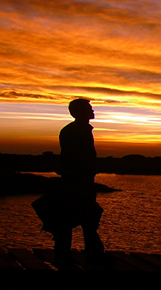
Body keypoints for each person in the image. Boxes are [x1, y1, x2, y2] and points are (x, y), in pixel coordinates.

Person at [32, 99, 105, 262]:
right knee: (82, 217)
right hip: (78, 181)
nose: (93, 110)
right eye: (89, 108)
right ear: (79, 112)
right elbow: (75, 158)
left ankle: (75, 252)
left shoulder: (78, 129)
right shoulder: (77, 130)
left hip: (79, 180)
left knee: (82, 217)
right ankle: (77, 254)